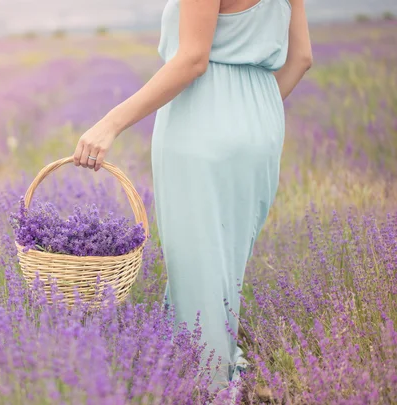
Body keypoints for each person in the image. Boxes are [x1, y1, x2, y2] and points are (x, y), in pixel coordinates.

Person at [73, 0, 313, 392]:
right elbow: (301, 57)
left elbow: (192, 60)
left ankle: (210, 389)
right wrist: (254, 115)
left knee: (199, 269)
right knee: (224, 265)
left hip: (200, 120)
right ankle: (202, 373)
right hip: (261, 123)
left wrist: (110, 123)